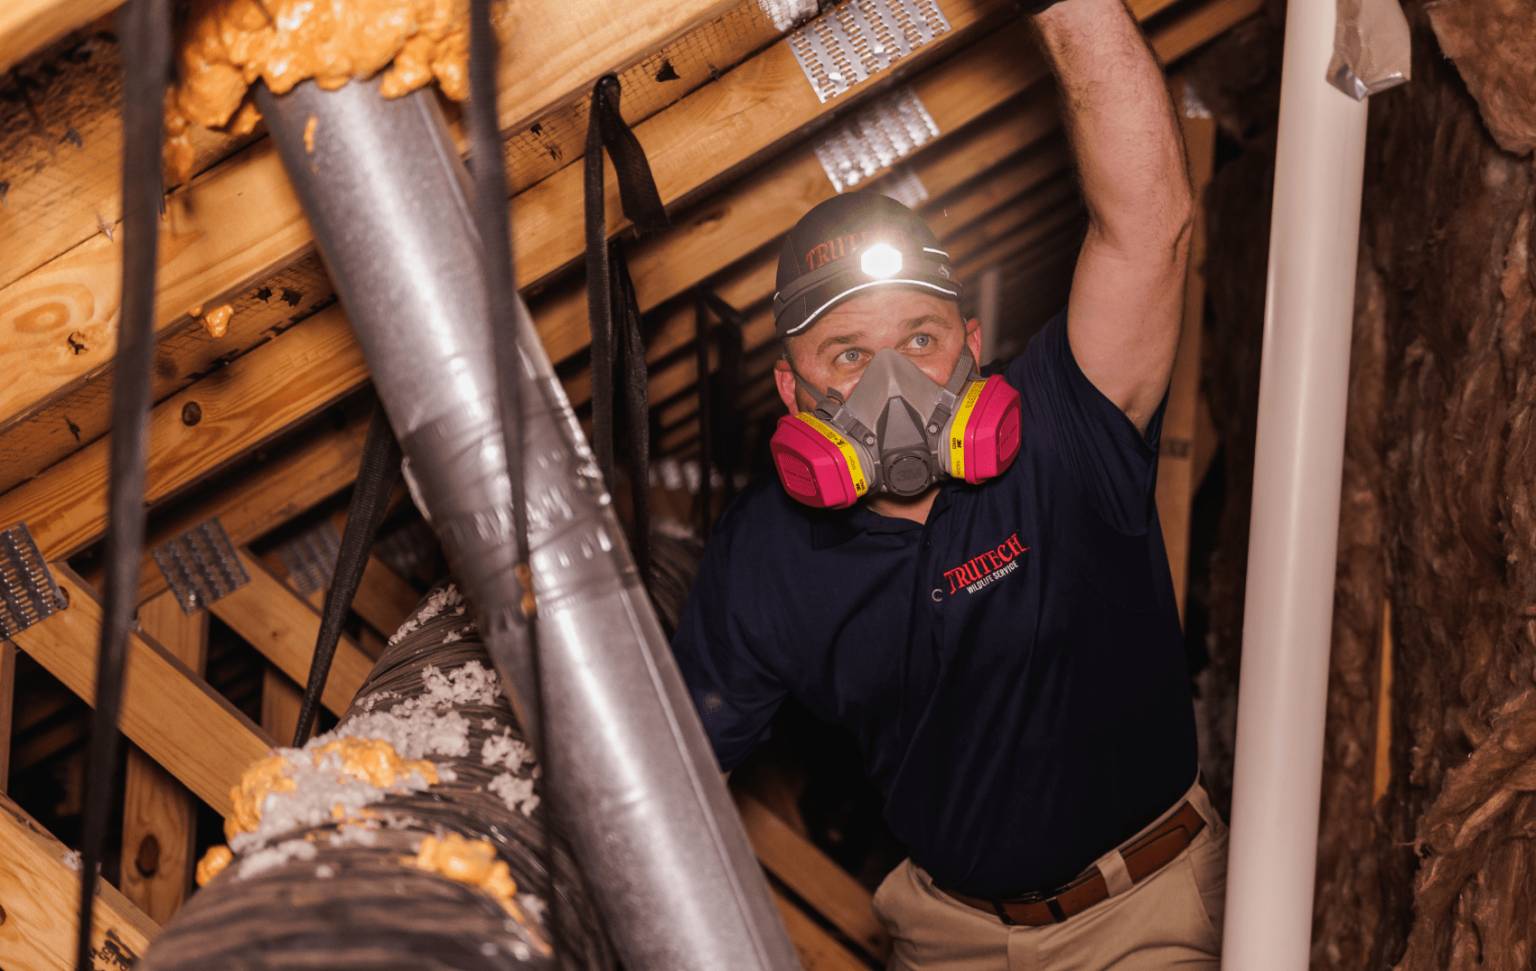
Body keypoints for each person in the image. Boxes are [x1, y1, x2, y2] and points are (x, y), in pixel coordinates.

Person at [669, 0, 1226, 966]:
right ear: (791, 391)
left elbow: (1152, 227)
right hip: (942, 931)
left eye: (918, 340)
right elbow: (667, 759)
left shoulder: (1063, 429)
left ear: (972, 349)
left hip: (1144, 913)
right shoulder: (766, 555)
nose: (891, 385)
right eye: (847, 354)